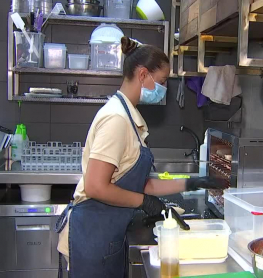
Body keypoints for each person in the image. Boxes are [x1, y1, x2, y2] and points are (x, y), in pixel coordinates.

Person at [55, 37, 227, 278]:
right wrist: (143, 202)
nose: (164, 88)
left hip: (105, 233)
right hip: (92, 235)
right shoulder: (116, 120)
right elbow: (95, 186)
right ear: (144, 75)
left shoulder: (128, 116)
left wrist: (190, 183)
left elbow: (139, 184)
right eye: (163, 81)